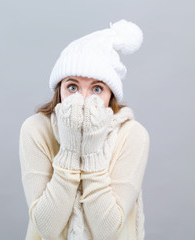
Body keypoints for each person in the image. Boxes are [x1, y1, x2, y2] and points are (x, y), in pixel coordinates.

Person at [19, 19, 150, 240]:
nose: (83, 99)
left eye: (97, 89)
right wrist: (70, 151)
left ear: (111, 96)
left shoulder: (133, 135)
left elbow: (108, 230)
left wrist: (90, 154)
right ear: (59, 90)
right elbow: (46, 228)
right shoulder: (35, 129)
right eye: (72, 87)